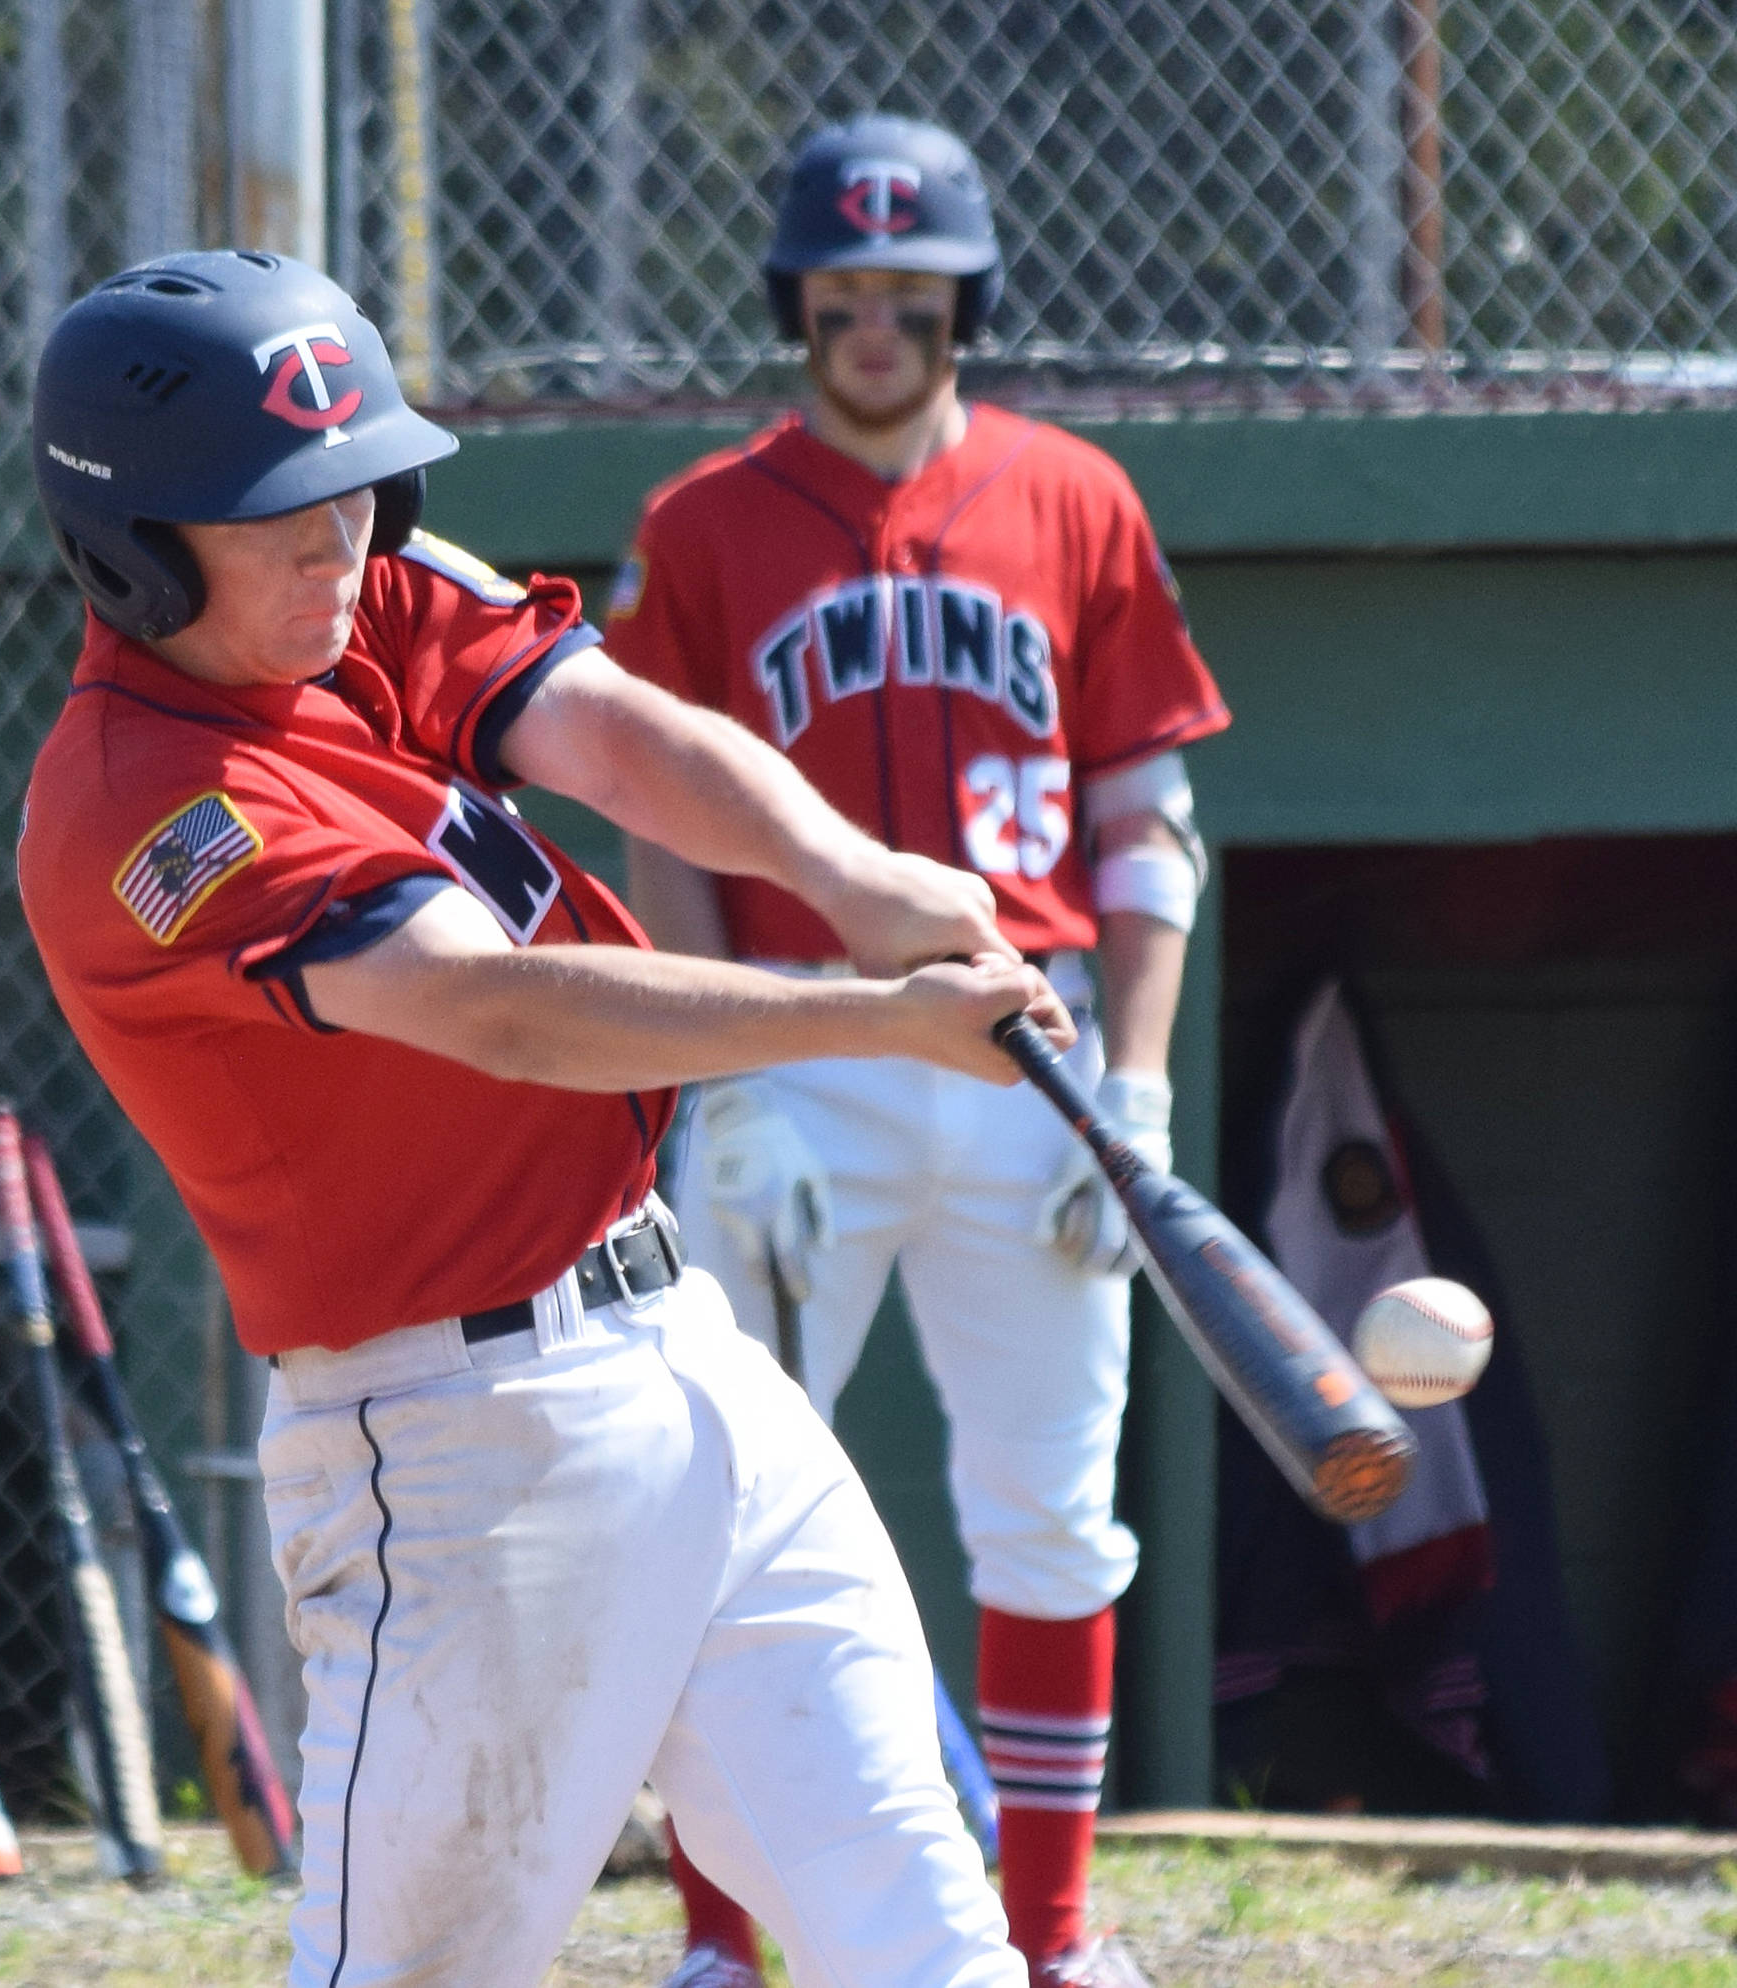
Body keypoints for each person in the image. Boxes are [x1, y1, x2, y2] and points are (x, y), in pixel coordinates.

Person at [15, 247, 1078, 1988]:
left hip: (683, 1351)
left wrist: (861, 876)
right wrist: (876, 1023)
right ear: (132, 547)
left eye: (354, 487)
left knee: (922, 1921)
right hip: (456, 1453)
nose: (333, 540)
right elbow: (494, 1008)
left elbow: (621, 734)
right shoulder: (152, 805)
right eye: (272, 509)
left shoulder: (352, 602)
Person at [603, 115, 1232, 1988]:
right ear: (795, 301)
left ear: (970, 301)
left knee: (1052, 1511)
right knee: (718, 1500)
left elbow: (1146, 813)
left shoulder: (1077, 498)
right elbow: (662, 823)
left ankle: (1046, 1943)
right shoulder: (704, 521)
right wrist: (718, 1084)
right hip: (806, 1043)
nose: (875, 325)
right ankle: (724, 1941)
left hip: (1032, 1051)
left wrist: (1139, 1080)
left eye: (913, 295)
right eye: (843, 293)